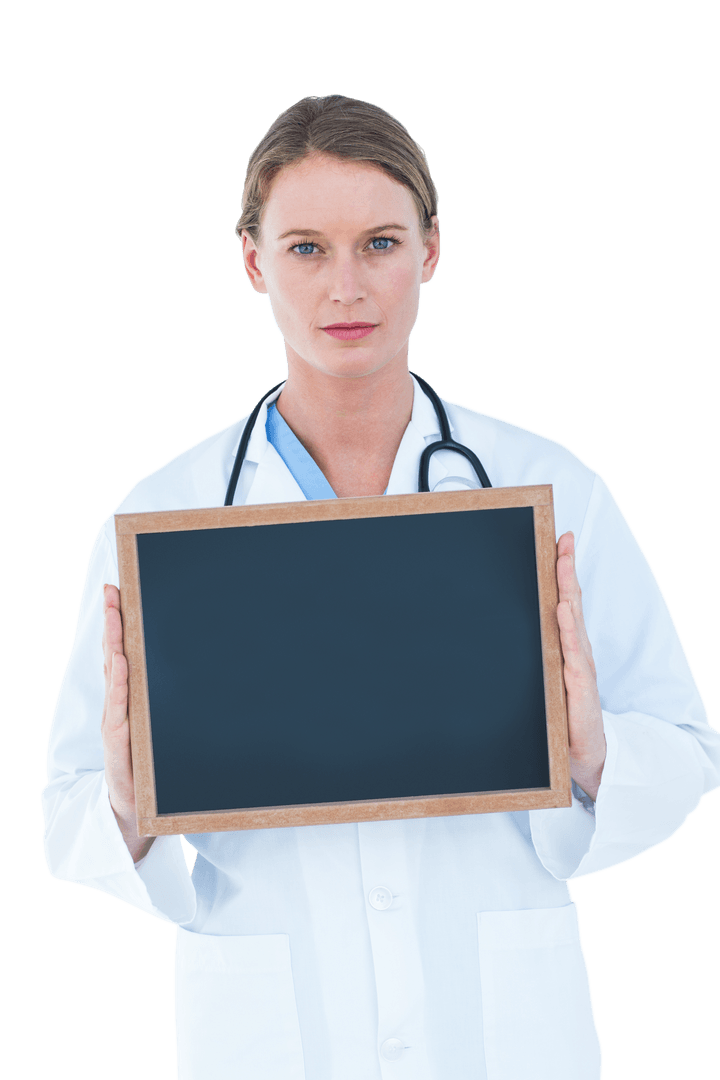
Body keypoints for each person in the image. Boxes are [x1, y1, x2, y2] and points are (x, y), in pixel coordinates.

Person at [41, 94, 720, 1080]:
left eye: (381, 243)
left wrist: (593, 754)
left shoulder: (550, 489)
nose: (346, 286)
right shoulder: (165, 514)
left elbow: (688, 747)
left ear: (432, 249)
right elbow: (67, 808)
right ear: (252, 262)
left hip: (499, 1028)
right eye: (306, 248)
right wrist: (128, 803)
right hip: (274, 1033)